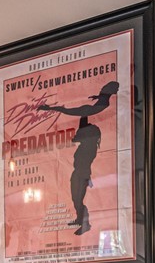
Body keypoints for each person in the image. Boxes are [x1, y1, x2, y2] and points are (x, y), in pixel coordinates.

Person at [38, 81, 119, 235]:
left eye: (79, 135)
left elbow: (71, 112)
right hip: (79, 173)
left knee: (78, 199)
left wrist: (50, 108)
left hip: (81, 174)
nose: (75, 137)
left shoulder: (88, 146)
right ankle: (79, 218)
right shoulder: (88, 145)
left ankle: (85, 223)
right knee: (76, 198)